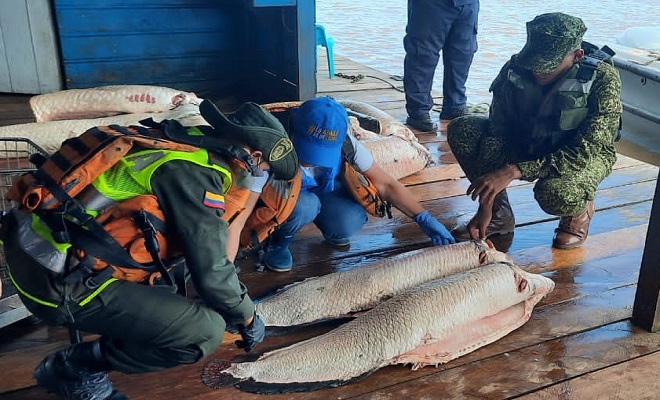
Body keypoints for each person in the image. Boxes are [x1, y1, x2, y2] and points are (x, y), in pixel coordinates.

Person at [0, 101, 299, 400]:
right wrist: (248, 317)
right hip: (56, 282)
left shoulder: (183, 140)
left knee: (182, 279)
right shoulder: (196, 174)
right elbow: (212, 276)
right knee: (203, 333)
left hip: (31, 248)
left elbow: (207, 249)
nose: (260, 178)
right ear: (253, 157)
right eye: (264, 171)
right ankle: (74, 369)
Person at [447, 12, 622, 249]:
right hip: (528, 141)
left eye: (547, 66)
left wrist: (514, 170)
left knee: (555, 193)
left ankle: (579, 211)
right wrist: (487, 203)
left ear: (577, 56)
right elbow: (496, 133)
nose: (538, 71)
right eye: (534, 64)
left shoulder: (602, 79)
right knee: (464, 129)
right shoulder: (515, 68)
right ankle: (499, 217)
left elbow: (585, 152)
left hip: (581, 155)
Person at [263, 96, 455, 272]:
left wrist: (424, 218)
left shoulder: (348, 144)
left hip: (324, 190)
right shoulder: (272, 144)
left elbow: (386, 184)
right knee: (306, 206)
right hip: (285, 197)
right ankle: (278, 242)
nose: (315, 161)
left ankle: (331, 226)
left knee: (349, 220)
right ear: (293, 132)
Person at [403, 0, 480, 133]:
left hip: (467, 4)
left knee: (463, 54)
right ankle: (419, 111)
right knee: (423, 55)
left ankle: (455, 106)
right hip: (431, 5)